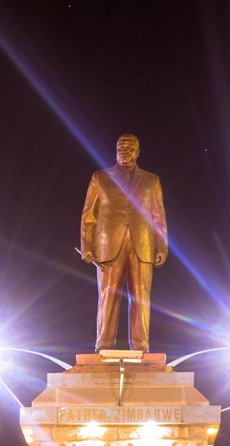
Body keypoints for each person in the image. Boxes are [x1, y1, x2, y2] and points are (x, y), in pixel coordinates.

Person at [79, 134, 167, 352]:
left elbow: (158, 218)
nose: (125, 150)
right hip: (108, 246)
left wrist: (161, 247)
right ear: (115, 150)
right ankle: (103, 345)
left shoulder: (151, 180)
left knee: (141, 296)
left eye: (130, 147)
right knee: (108, 294)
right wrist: (87, 246)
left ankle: (140, 346)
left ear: (138, 151)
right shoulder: (100, 178)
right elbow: (89, 216)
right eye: (121, 146)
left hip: (143, 245)